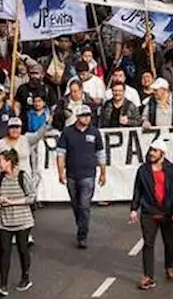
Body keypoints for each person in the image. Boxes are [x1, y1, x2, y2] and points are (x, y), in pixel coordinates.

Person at [129, 139, 173, 290]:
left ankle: (169, 267)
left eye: (155, 151)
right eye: (150, 150)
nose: (151, 153)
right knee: (148, 244)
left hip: (167, 212)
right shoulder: (143, 170)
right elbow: (137, 191)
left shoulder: (171, 169)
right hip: (149, 212)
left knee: (169, 242)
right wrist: (134, 209)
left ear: (162, 153)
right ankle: (148, 276)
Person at [54, 104, 106, 249]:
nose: (87, 118)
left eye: (88, 115)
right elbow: (60, 153)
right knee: (76, 205)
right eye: (83, 116)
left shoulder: (95, 132)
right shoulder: (67, 132)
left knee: (84, 206)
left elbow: (100, 153)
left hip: (88, 174)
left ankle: (82, 235)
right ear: (77, 117)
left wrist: (103, 172)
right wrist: (60, 172)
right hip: (71, 174)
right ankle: (81, 224)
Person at [0, 148, 36, 295]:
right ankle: (3, 284)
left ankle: (25, 277)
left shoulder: (23, 176)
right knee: (4, 252)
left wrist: (12, 201)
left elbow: (31, 197)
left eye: (0, 161)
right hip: (4, 221)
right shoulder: (0, 177)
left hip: (23, 221)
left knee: (23, 250)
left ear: (9, 162)